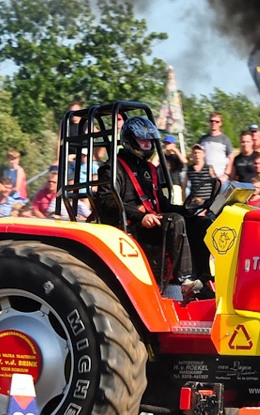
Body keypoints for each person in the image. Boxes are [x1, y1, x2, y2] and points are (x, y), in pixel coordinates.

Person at [97, 116, 203, 300]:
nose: (147, 144)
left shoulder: (149, 169)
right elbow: (106, 201)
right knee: (175, 221)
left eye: (149, 140)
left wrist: (187, 209)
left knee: (199, 223)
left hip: (152, 222)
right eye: (142, 140)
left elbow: (161, 202)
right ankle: (184, 281)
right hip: (130, 226)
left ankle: (204, 278)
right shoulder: (112, 168)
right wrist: (140, 217)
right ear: (130, 140)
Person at [198, 112, 234, 181]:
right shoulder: (203, 139)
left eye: (216, 121)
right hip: (205, 177)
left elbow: (231, 158)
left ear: (220, 123)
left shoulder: (225, 139)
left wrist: (226, 174)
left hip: (220, 177)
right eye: (211, 121)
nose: (213, 123)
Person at [184, 144, 219, 210]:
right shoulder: (189, 169)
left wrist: (214, 198)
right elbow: (184, 186)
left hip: (207, 202)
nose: (197, 155)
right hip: (194, 202)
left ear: (204, 154)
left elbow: (217, 183)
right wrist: (184, 202)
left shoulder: (209, 168)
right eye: (195, 153)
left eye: (199, 153)